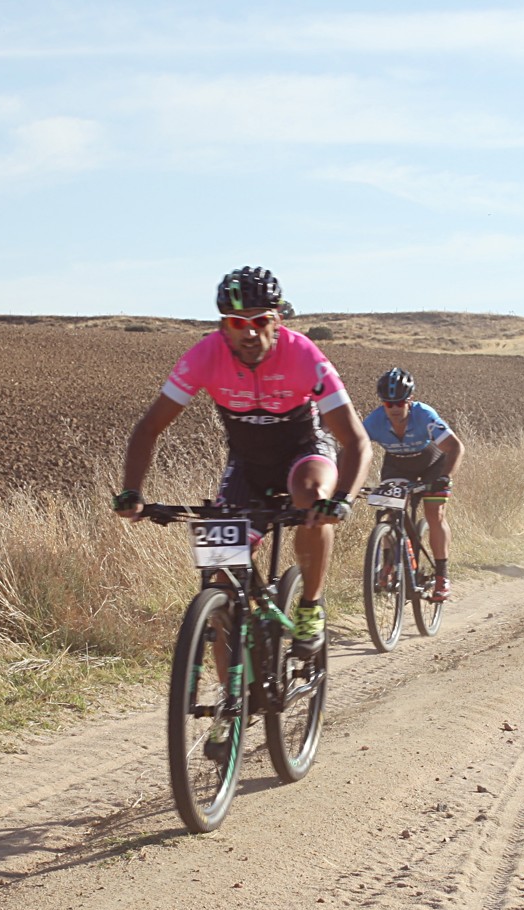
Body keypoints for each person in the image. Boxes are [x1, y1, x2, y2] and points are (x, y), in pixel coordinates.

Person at [114, 267, 371, 654]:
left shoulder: (304, 356)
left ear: (277, 320)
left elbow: (356, 441)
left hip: (305, 451)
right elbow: (149, 427)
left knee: (311, 496)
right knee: (220, 583)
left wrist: (343, 500)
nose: (249, 333)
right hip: (248, 466)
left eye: (260, 321)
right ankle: (230, 705)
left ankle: (310, 607)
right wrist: (132, 490)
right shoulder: (204, 356)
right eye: (237, 322)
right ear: (223, 326)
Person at [362, 368, 464, 603]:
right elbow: (352, 450)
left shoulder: (425, 416)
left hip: (432, 465)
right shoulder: (374, 421)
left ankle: (441, 576)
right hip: (397, 466)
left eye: (400, 402)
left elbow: (455, 447)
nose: (395, 408)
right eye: (389, 403)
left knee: (434, 513)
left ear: (410, 401)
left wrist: (445, 476)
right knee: (386, 511)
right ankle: (389, 562)